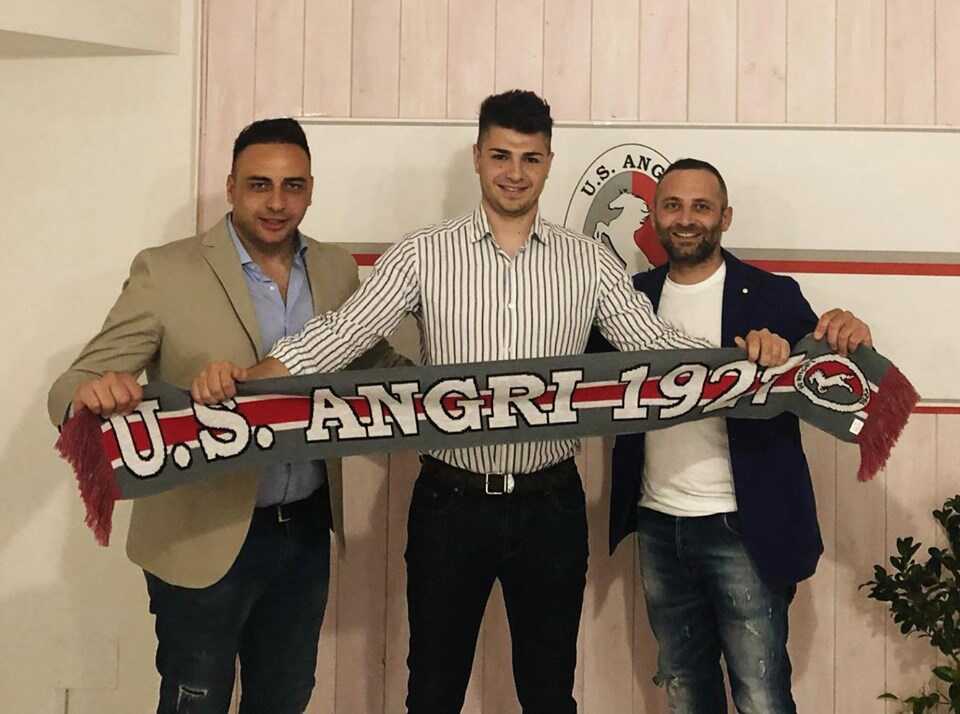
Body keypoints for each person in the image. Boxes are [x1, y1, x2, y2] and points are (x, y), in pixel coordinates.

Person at [191, 93, 796, 714]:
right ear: (477, 157)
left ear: (549, 162)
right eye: (501, 155)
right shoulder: (423, 253)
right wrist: (252, 382)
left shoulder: (589, 261)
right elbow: (342, 336)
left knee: (548, 694)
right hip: (449, 503)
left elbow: (656, 346)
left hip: (551, 504)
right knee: (433, 692)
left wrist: (745, 359)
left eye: (530, 158)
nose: (515, 172)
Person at [47, 118, 407, 714]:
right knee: (196, 700)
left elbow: (371, 361)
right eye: (260, 185)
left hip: (305, 530)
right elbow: (74, 383)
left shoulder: (337, 269)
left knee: (285, 697)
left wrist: (463, 381)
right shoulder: (166, 271)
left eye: (293, 186)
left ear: (311, 190)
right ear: (232, 187)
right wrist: (93, 392)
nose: (277, 202)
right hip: (199, 537)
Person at [594, 158, 872, 713]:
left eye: (701, 207)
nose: (685, 219)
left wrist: (851, 329)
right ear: (654, 215)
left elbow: (834, 370)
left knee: (761, 697)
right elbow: (576, 380)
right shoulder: (627, 298)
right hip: (658, 524)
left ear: (725, 217)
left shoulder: (774, 296)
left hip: (744, 529)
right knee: (684, 691)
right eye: (672, 205)